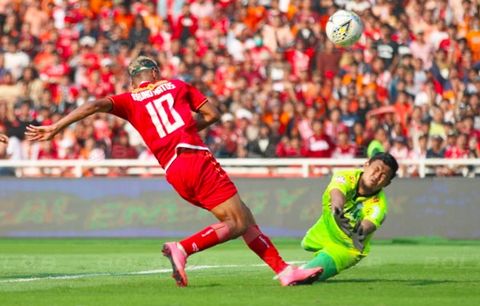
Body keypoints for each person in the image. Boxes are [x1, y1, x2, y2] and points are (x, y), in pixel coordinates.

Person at [25, 56, 322, 287]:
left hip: (173, 171)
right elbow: (213, 114)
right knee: (237, 221)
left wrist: (55, 128)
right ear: (156, 74)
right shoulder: (177, 85)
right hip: (194, 157)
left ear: (133, 82)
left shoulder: (129, 100)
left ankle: (284, 271)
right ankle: (183, 248)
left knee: (243, 215)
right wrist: (188, 130)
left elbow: (94, 104)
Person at [301, 153, 398, 281]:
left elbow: (368, 224)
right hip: (325, 229)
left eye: (383, 176)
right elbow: (337, 192)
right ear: (366, 165)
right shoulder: (346, 175)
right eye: (376, 170)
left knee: (304, 277)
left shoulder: (379, 206)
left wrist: (358, 232)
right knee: (305, 244)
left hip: (348, 246)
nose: (377, 176)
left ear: (387, 183)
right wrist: (338, 211)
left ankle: (312, 267)